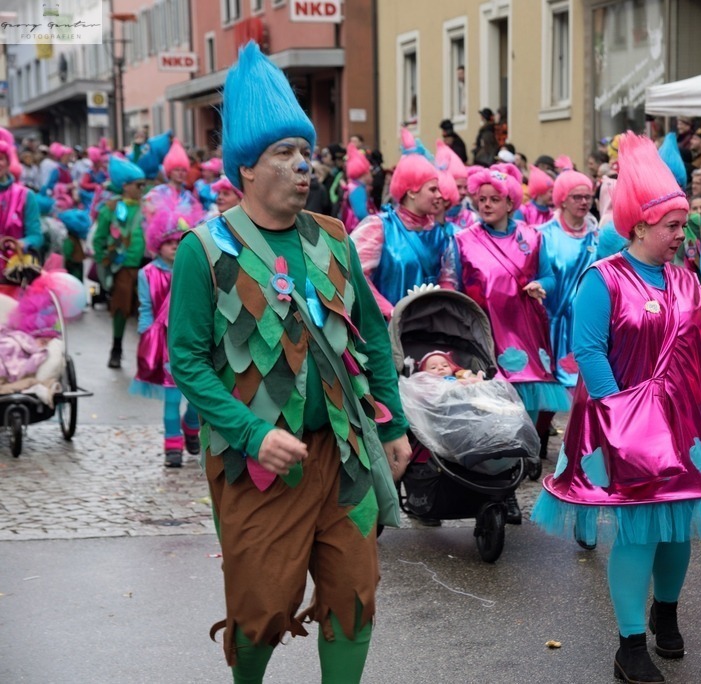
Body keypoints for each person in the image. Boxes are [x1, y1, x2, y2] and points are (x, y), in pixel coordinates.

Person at [167, 42, 409, 683]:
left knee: (354, 597)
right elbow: (186, 362)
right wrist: (251, 433)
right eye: (286, 153)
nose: (305, 166)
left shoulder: (332, 237)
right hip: (257, 466)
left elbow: (374, 339)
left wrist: (391, 424)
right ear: (245, 167)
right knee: (260, 612)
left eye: (306, 153)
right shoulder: (203, 250)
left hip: (344, 454)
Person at [531, 133, 701, 684]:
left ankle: (666, 612)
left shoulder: (688, 283)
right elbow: (588, 351)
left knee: (677, 530)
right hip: (626, 429)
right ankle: (630, 645)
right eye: (672, 226)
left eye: (685, 225)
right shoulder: (602, 279)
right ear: (639, 226)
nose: (683, 235)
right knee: (637, 533)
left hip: (682, 428)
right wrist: (620, 416)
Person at [441, 163, 571, 522]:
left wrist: (541, 285)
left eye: (494, 199)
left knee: (520, 419)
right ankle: (493, 489)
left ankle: (507, 489)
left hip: (526, 336)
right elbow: (450, 284)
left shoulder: (533, 237)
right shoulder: (462, 239)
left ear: (511, 202)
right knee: (488, 417)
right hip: (482, 337)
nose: (485, 205)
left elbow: (550, 276)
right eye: (480, 199)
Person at [131, 193, 205, 467]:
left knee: (197, 395)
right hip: (164, 342)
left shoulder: (194, 268)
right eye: (169, 243)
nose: (174, 247)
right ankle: (172, 444)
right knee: (171, 396)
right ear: (157, 244)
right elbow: (146, 308)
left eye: (179, 242)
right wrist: (146, 335)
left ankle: (191, 426)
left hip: (194, 338)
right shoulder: (147, 274)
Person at [350, 152, 446, 318]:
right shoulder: (379, 226)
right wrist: (391, 312)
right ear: (412, 192)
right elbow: (354, 276)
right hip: (387, 331)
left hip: (428, 332)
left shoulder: (438, 233)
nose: (440, 195)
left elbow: (447, 279)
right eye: (433, 189)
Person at [535, 169, 598, 389]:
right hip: (549, 323)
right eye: (576, 197)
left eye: (588, 197)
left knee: (582, 386)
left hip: (584, 324)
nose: (583, 202)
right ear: (562, 199)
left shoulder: (596, 235)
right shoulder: (542, 234)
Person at [92, 155, 148, 369]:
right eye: (138, 185)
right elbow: (98, 241)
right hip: (122, 268)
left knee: (149, 311)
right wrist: (105, 268)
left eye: (143, 184)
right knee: (120, 309)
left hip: (147, 266)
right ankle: (116, 348)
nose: (142, 188)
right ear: (125, 186)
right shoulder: (111, 209)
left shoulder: (147, 207)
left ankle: (149, 355)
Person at [0, 136, 43, 254]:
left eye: (1, 158)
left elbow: (36, 236)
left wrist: (22, 243)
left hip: (14, 266)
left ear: (8, 163)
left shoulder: (25, 195)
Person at [340, 142, 378, 230]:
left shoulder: (353, 186)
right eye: (369, 171)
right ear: (363, 174)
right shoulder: (357, 189)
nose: (371, 175)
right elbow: (361, 214)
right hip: (357, 229)